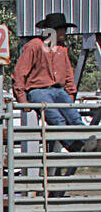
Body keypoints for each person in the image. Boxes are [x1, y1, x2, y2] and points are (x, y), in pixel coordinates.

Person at [13, 12, 99, 167]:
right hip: (38, 90)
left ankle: (87, 143)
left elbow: (68, 74)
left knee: (73, 116)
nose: (63, 33)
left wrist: (71, 93)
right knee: (56, 118)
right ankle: (76, 146)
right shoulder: (34, 46)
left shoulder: (61, 49)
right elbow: (20, 73)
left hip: (58, 90)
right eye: (60, 29)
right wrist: (22, 99)